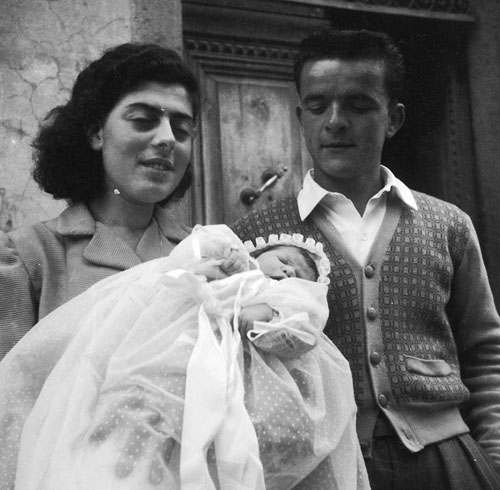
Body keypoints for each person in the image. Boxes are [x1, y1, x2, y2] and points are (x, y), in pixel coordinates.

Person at [232, 28, 500, 490]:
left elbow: (485, 353)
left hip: (447, 463)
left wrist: (493, 460)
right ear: (300, 117)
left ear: (393, 118)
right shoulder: (253, 237)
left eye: (358, 105)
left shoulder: (448, 225)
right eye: (318, 106)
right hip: (319, 469)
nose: (335, 122)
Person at [0, 224, 369, 490]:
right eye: (285, 259)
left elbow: (298, 331)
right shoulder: (231, 258)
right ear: (257, 252)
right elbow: (184, 263)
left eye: (299, 274)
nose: (289, 271)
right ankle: (118, 466)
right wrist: (218, 266)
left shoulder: (285, 297)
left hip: (232, 377)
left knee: (204, 433)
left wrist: (259, 317)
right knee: (140, 400)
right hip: (173, 352)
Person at [0, 43, 200, 361]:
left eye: (181, 129)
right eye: (143, 120)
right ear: (97, 133)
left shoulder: (204, 252)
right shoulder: (29, 256)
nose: (167, 139)